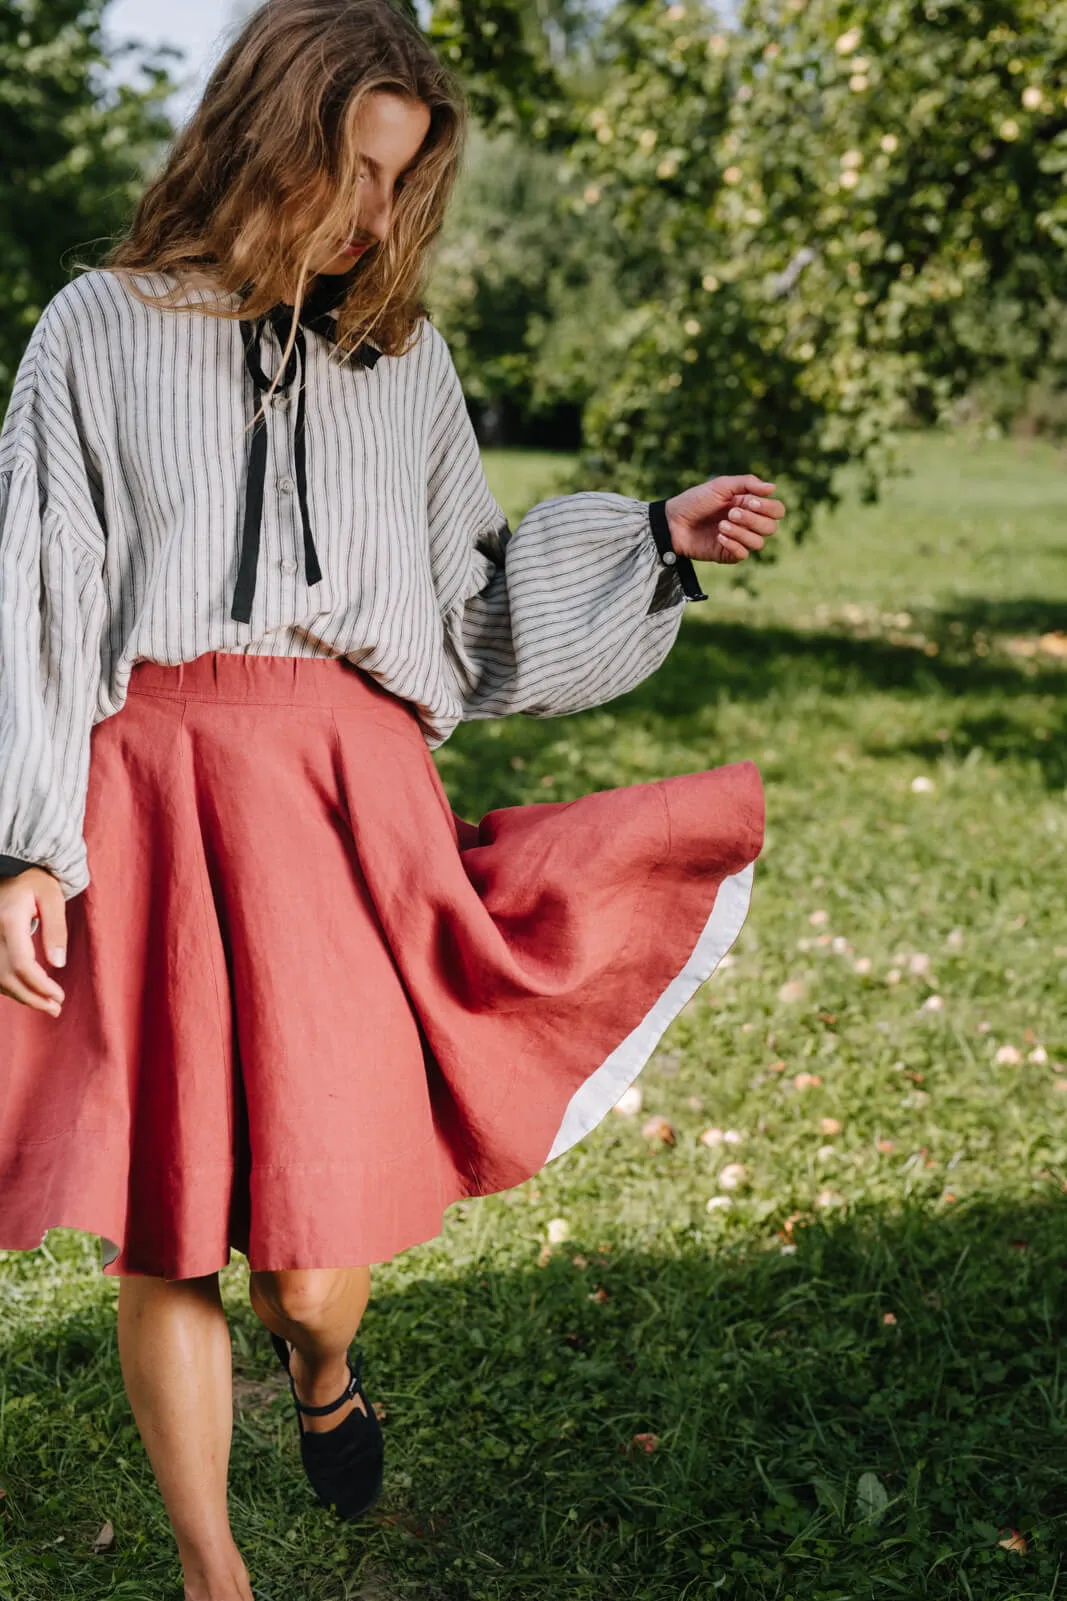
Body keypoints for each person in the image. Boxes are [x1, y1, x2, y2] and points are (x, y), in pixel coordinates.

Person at [0, 2, 783, 1597]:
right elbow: (38, 591)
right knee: (164, 1216)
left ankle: (320, 1370)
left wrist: (650, 538)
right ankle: (211, 1566)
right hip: (144, 783)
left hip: (342, 806)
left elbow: (466, 607)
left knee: (305, 1262)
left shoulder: (399, 360)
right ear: (259, 135)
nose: (368, 216)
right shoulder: (94, 325)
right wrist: (27, 839)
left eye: (396, 185)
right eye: (347, 172)